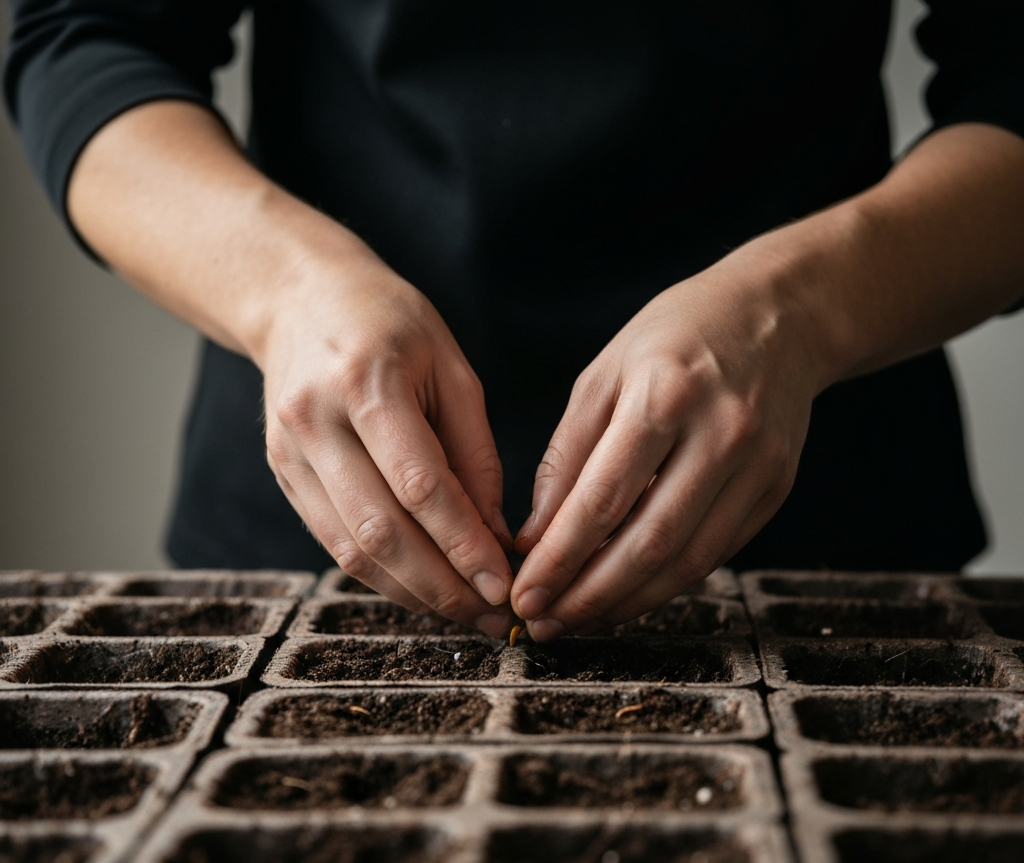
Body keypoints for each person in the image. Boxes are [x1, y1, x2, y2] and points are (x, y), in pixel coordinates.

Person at [5, 2, 1024, 642]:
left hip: (819, 537)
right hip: (321, 528)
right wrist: (285, 293)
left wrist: (796, 312)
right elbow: (85, 36)